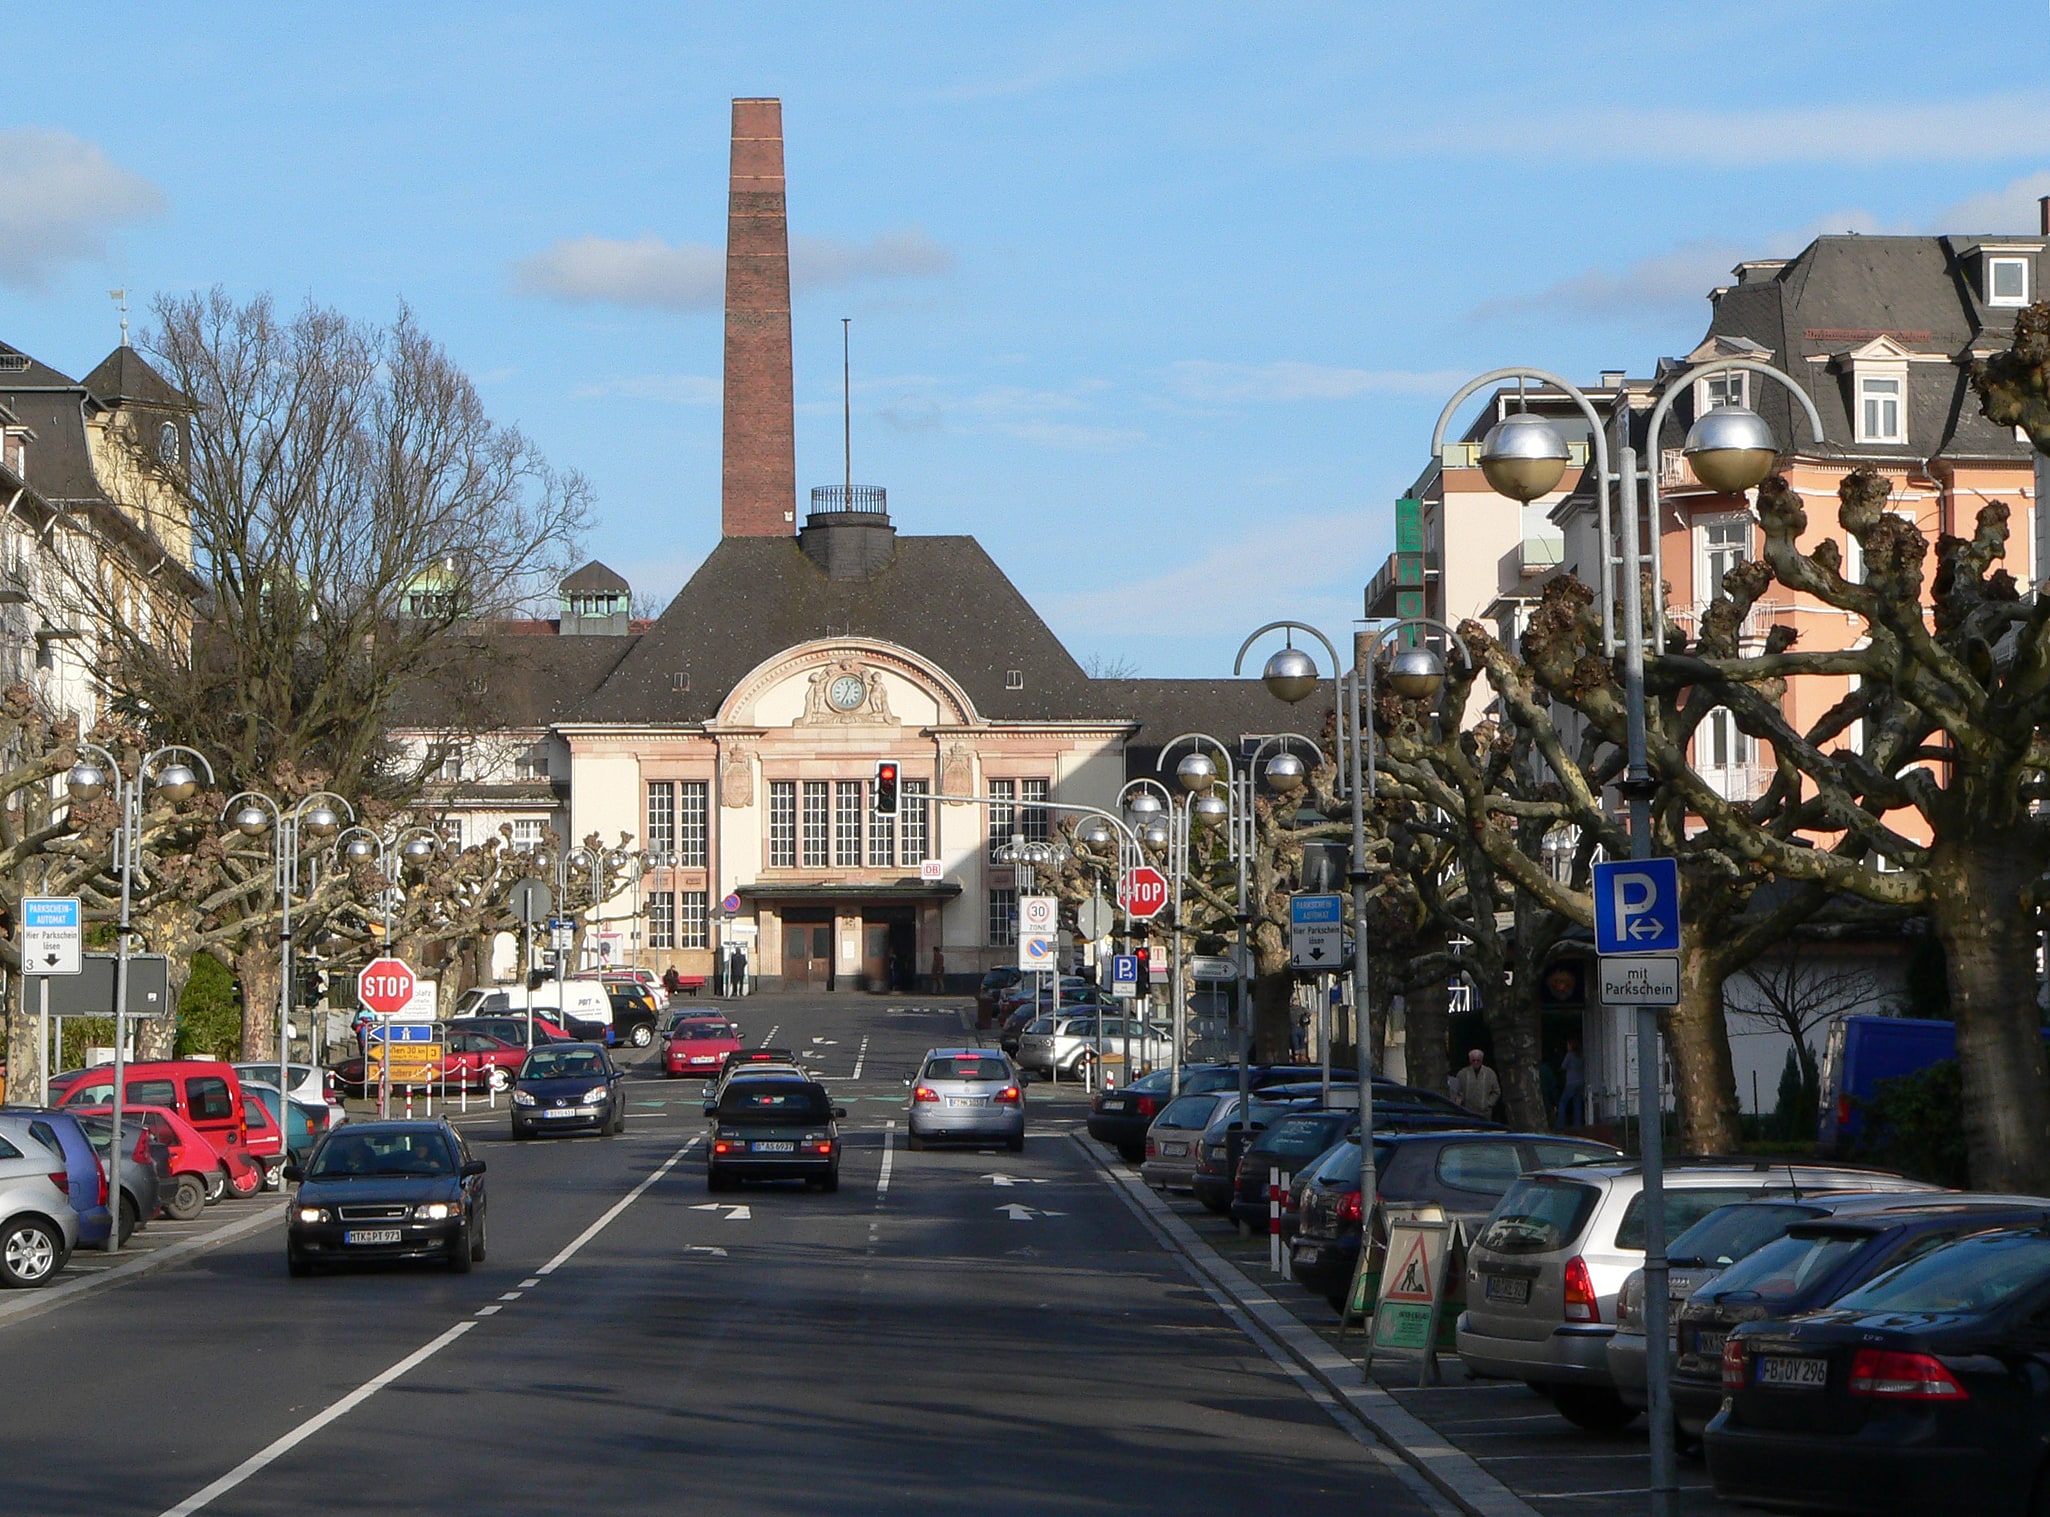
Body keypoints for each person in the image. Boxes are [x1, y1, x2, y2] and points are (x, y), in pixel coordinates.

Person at [1450, 1048, 1501, 1119]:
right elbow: (1457, 1091)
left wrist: (1489, 1103)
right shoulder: (1462, 1074)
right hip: (1467, 1112)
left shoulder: (1490, 1073)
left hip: (1484, 1112)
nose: (1476, 1062)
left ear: (1482, 1060)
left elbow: (1496, 1091)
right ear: (1470, 1060)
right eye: (1473, 1060)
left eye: (1478, 1060)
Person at [1556, 1037, 1586, 1129]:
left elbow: (1563, 1066)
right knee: (1577, 1103)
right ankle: (1578, 1124)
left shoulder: (1569, 1055)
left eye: (1568, 1045)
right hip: (1581, 1082)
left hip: (1571, 1082)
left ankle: (1560, 1124)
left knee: (1562, 1102)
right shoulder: (1581, 1055)